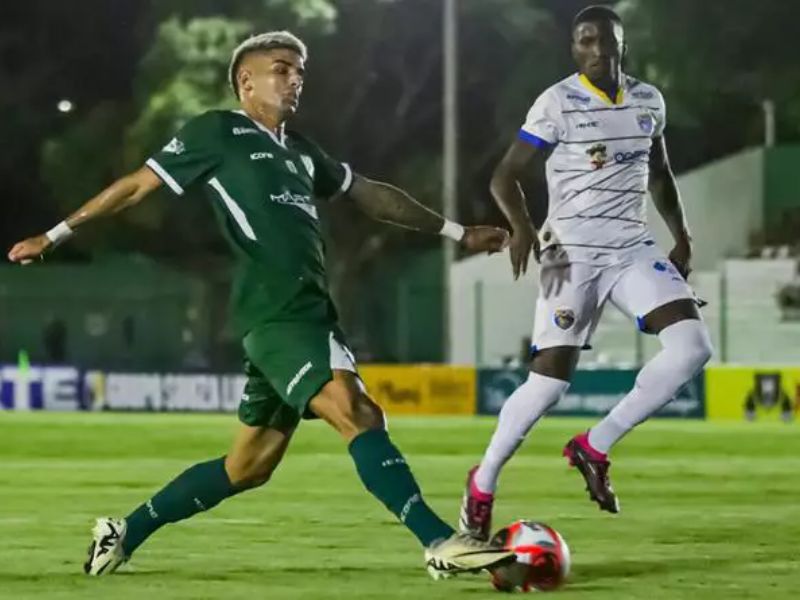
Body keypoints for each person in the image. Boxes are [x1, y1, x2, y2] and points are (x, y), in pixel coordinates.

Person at [8, 30, 513, 579]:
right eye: (281, 69)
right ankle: (439, 539)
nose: (295, 79)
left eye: (299, 71)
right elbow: (135, 187)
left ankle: (124, 530)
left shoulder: (301, 152)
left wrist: (458, 232)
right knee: (358, 410)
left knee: (248, 467)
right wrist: (54, 235)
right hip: (278, 311)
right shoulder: (218, 131)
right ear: (245, 81)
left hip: (306, 311)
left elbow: (370, 193)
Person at [459, 6, 713, 539]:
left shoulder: (649, 101)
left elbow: (660, 172)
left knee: (692, 348)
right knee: (549, 384)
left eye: (605, 40)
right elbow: (504, 177)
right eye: (585, 41)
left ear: (623, 45)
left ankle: (594, 445)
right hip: (567, 251)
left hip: (631, 245)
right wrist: (524, 229)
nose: (597, 49)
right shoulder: (558, 102)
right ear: (574, 49)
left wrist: (683, 236)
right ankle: (482, 483)